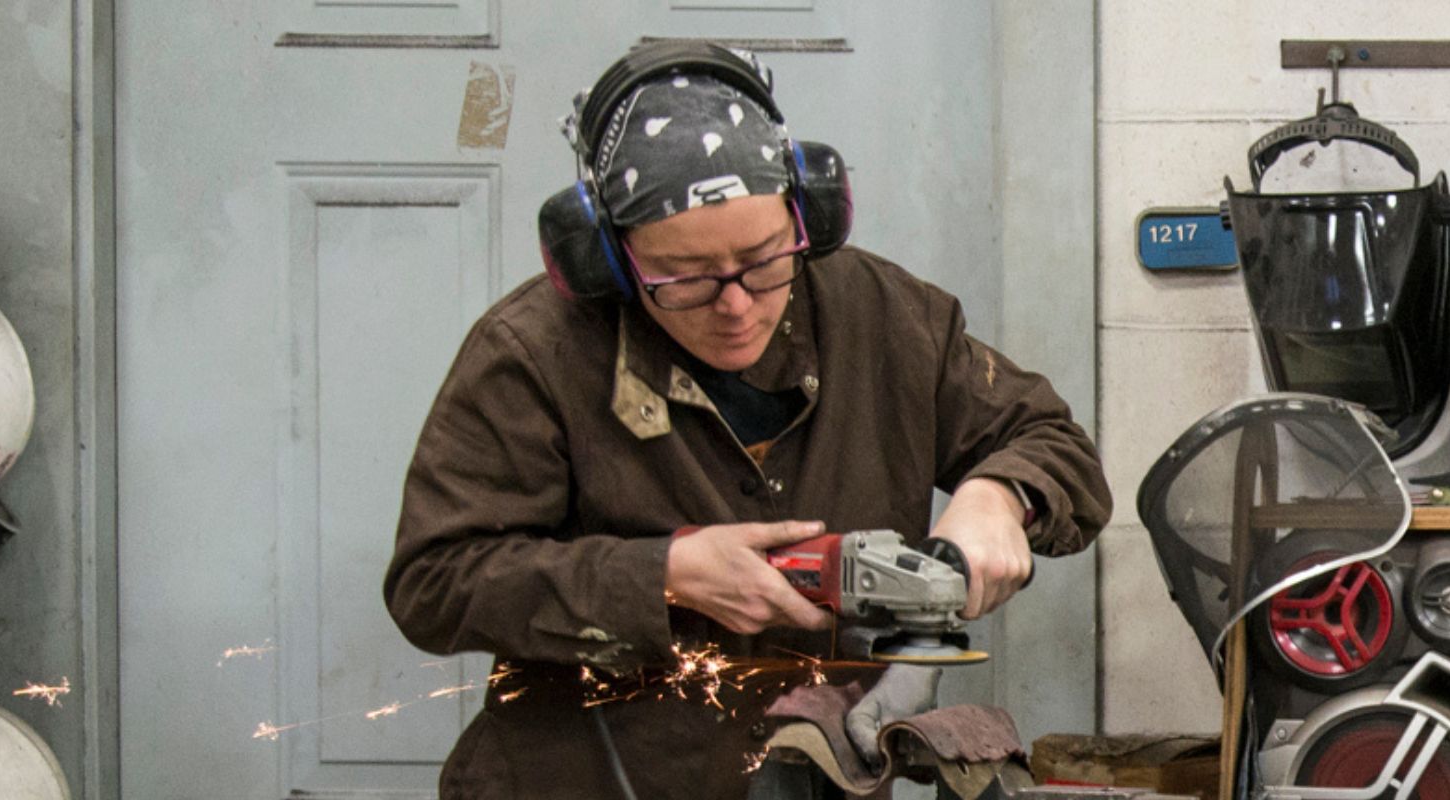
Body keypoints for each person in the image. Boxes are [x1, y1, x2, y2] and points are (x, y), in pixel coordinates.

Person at [384, 41, 1109, 799]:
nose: (735, 304)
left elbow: (1054, 445)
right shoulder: (532, 353)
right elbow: (433, 584)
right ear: (608, 257)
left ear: (808, 214)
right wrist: (659, 578)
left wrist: (1000, 496)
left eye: (764, 258)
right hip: (588, 777)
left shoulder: (886, 317)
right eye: (684, 277)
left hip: (813, 778)